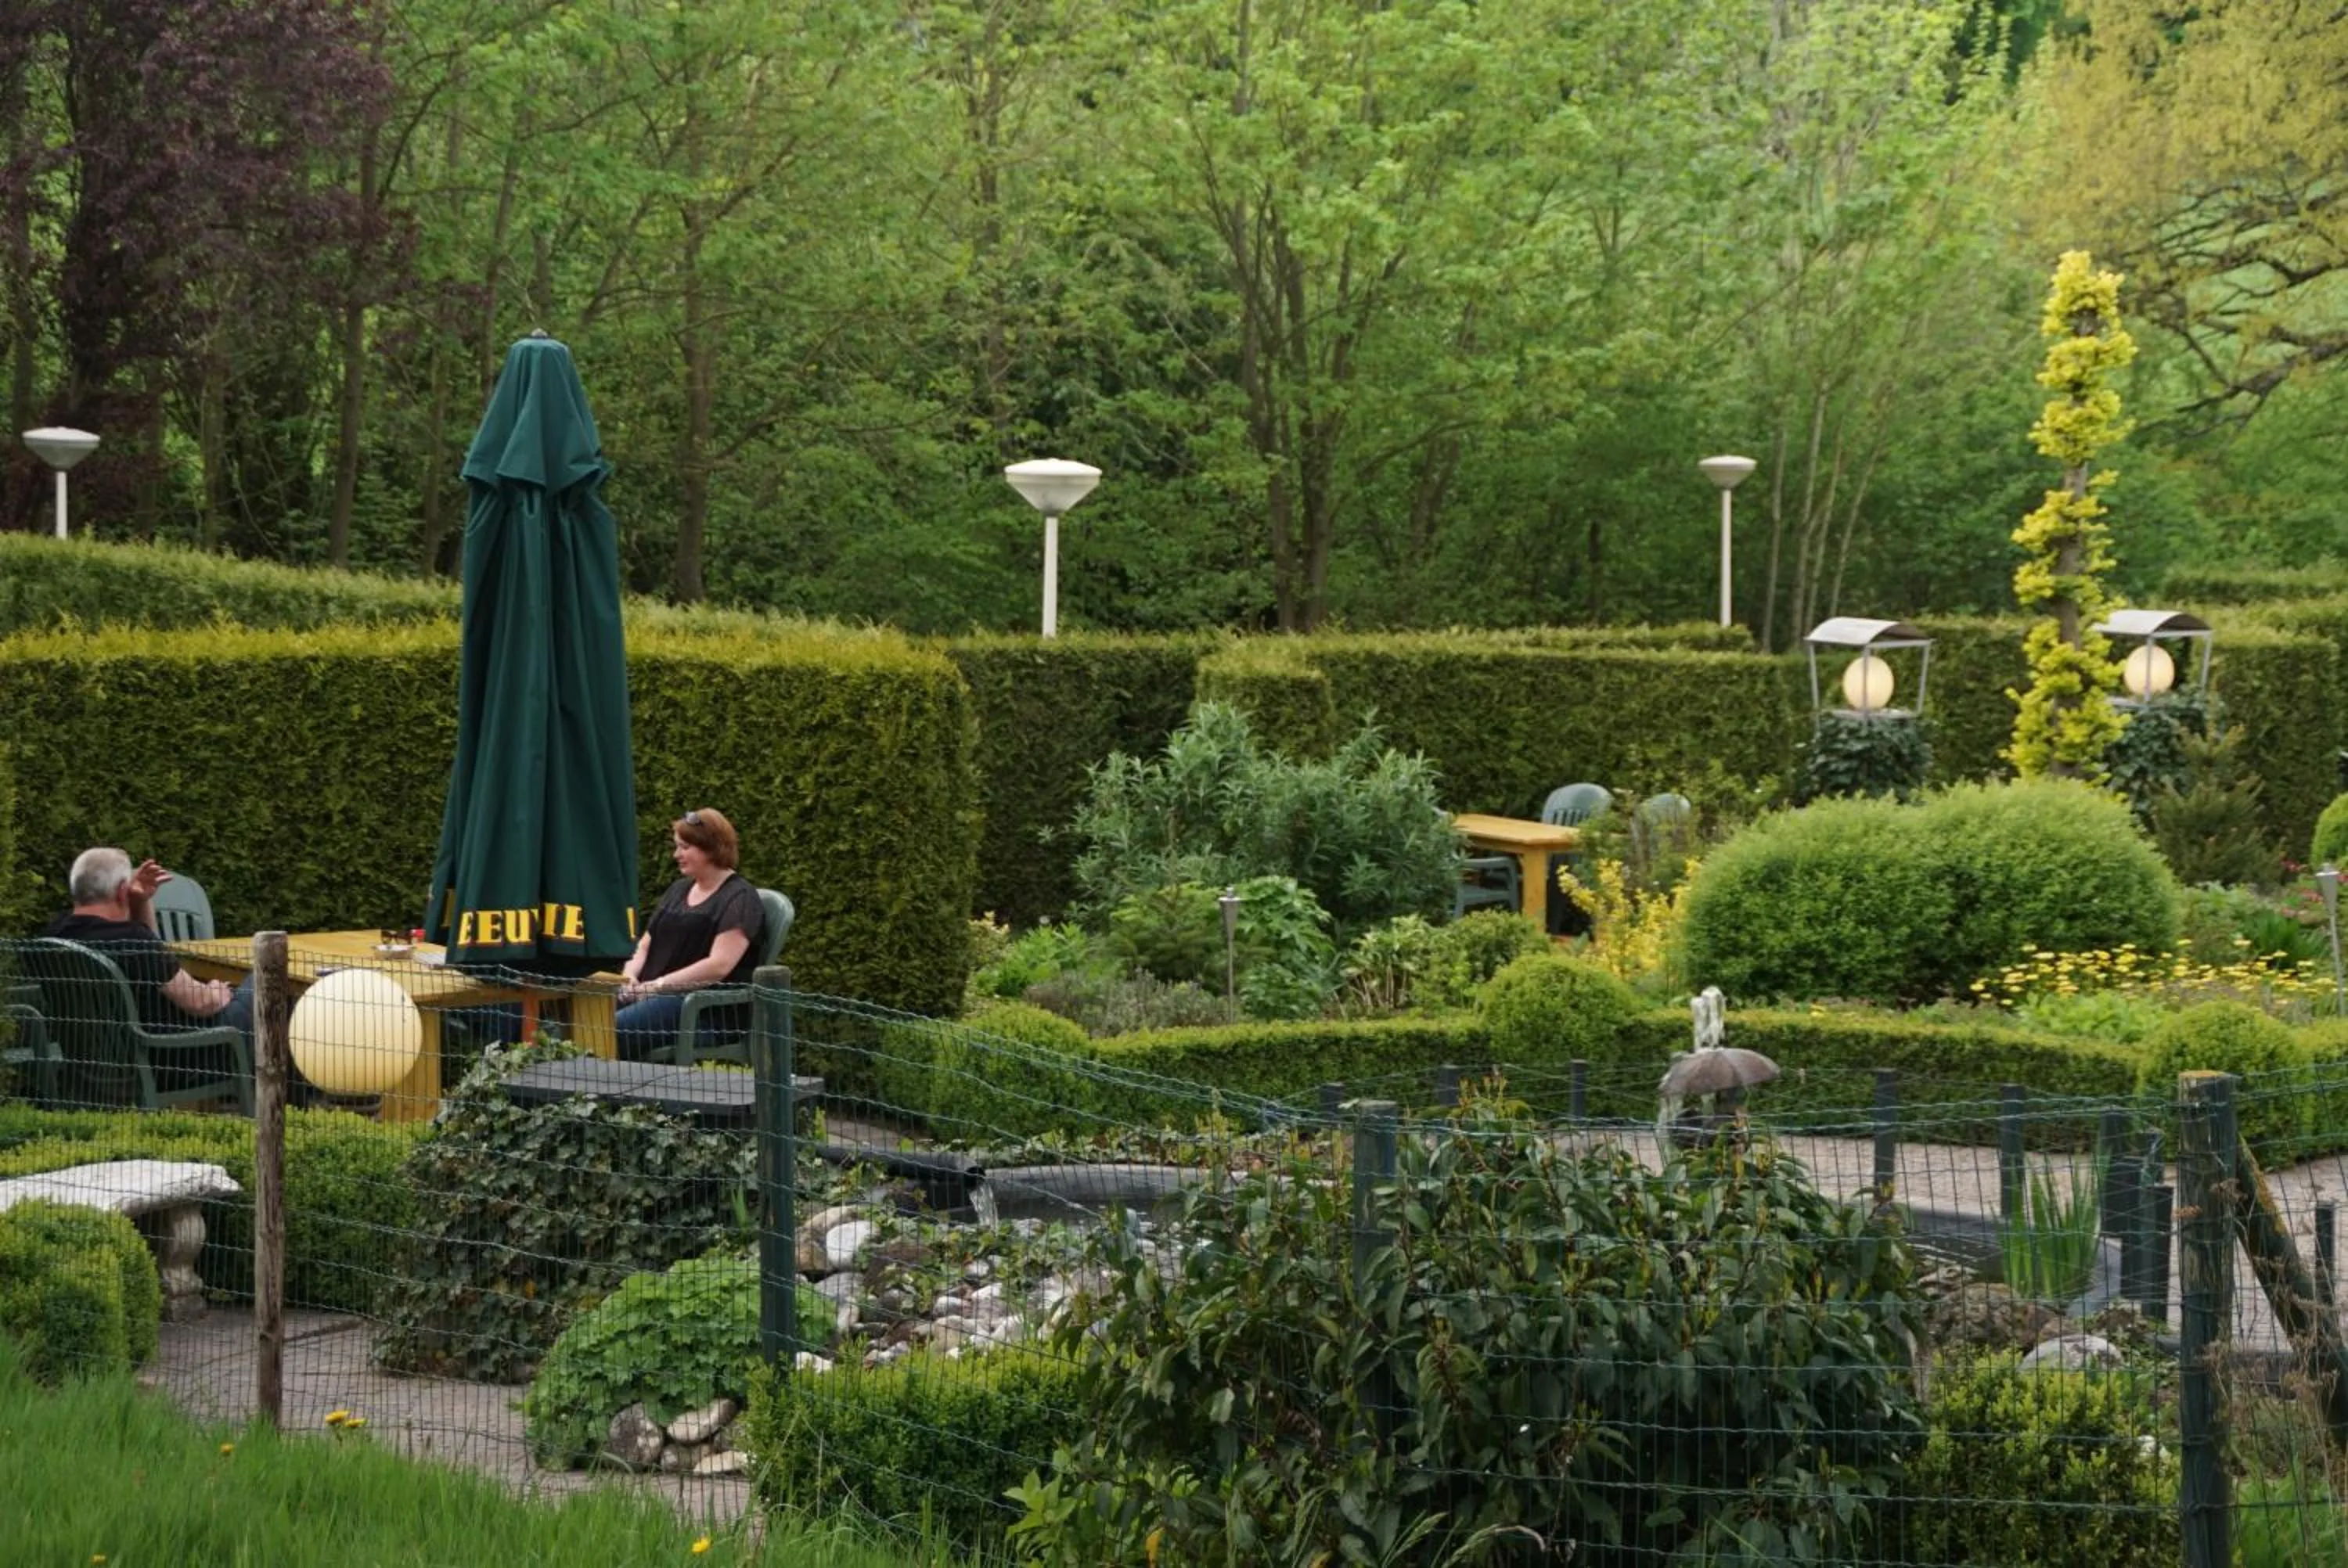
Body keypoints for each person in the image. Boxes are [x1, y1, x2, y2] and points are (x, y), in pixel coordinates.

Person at [41, 847, 255, 1090]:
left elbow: (149, 948)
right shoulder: (131, 940)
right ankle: (289, 1098)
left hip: (95, 1065)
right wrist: (216, 993)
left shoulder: (55, 935)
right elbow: (199, 1003)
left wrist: (140, 901)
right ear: (122, 892)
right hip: (177, 1061)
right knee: (264, 982)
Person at [614, 808, 765, 1061]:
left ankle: (602, 1097)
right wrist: (628, 977)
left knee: (609, 1031)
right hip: (650, 998)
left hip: (700, 1012)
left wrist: (659, 986)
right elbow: (645, 946)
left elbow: (719, 965)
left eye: (684, 847)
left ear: (710, 847)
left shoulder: (740, 898)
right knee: (582, 1016)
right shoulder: (678, 890)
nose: (677, 855)